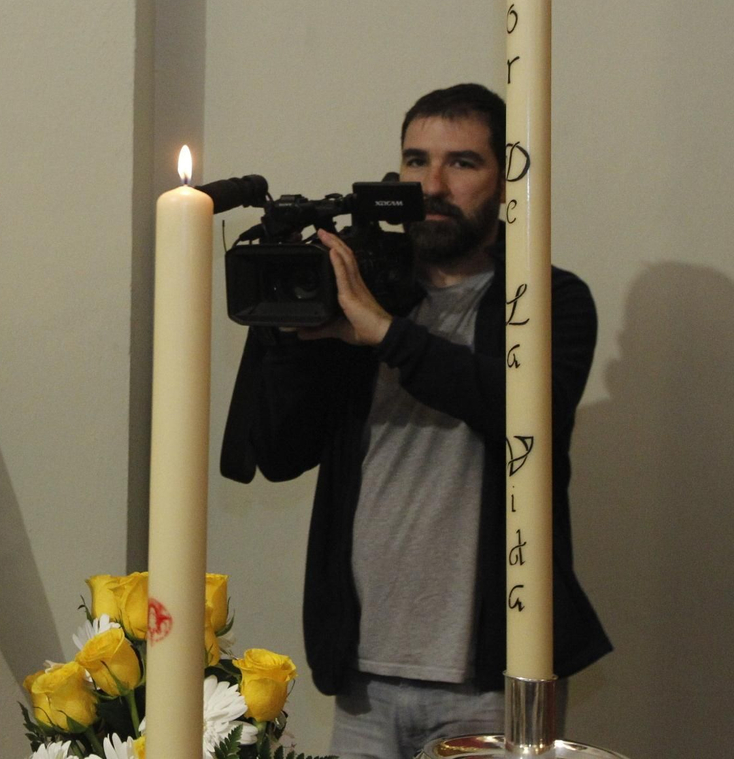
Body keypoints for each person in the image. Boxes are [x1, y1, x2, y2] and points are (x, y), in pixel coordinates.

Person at [219, 83, 609, 759]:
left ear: (505, 177)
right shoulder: (366, 292)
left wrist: (386, 333)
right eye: (415, 160)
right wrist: (295, 336)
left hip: (491, 679)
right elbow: (280, 453)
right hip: (366, 677)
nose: (432, 183)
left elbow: (520, 408)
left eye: (461, 162)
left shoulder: (546, 299)